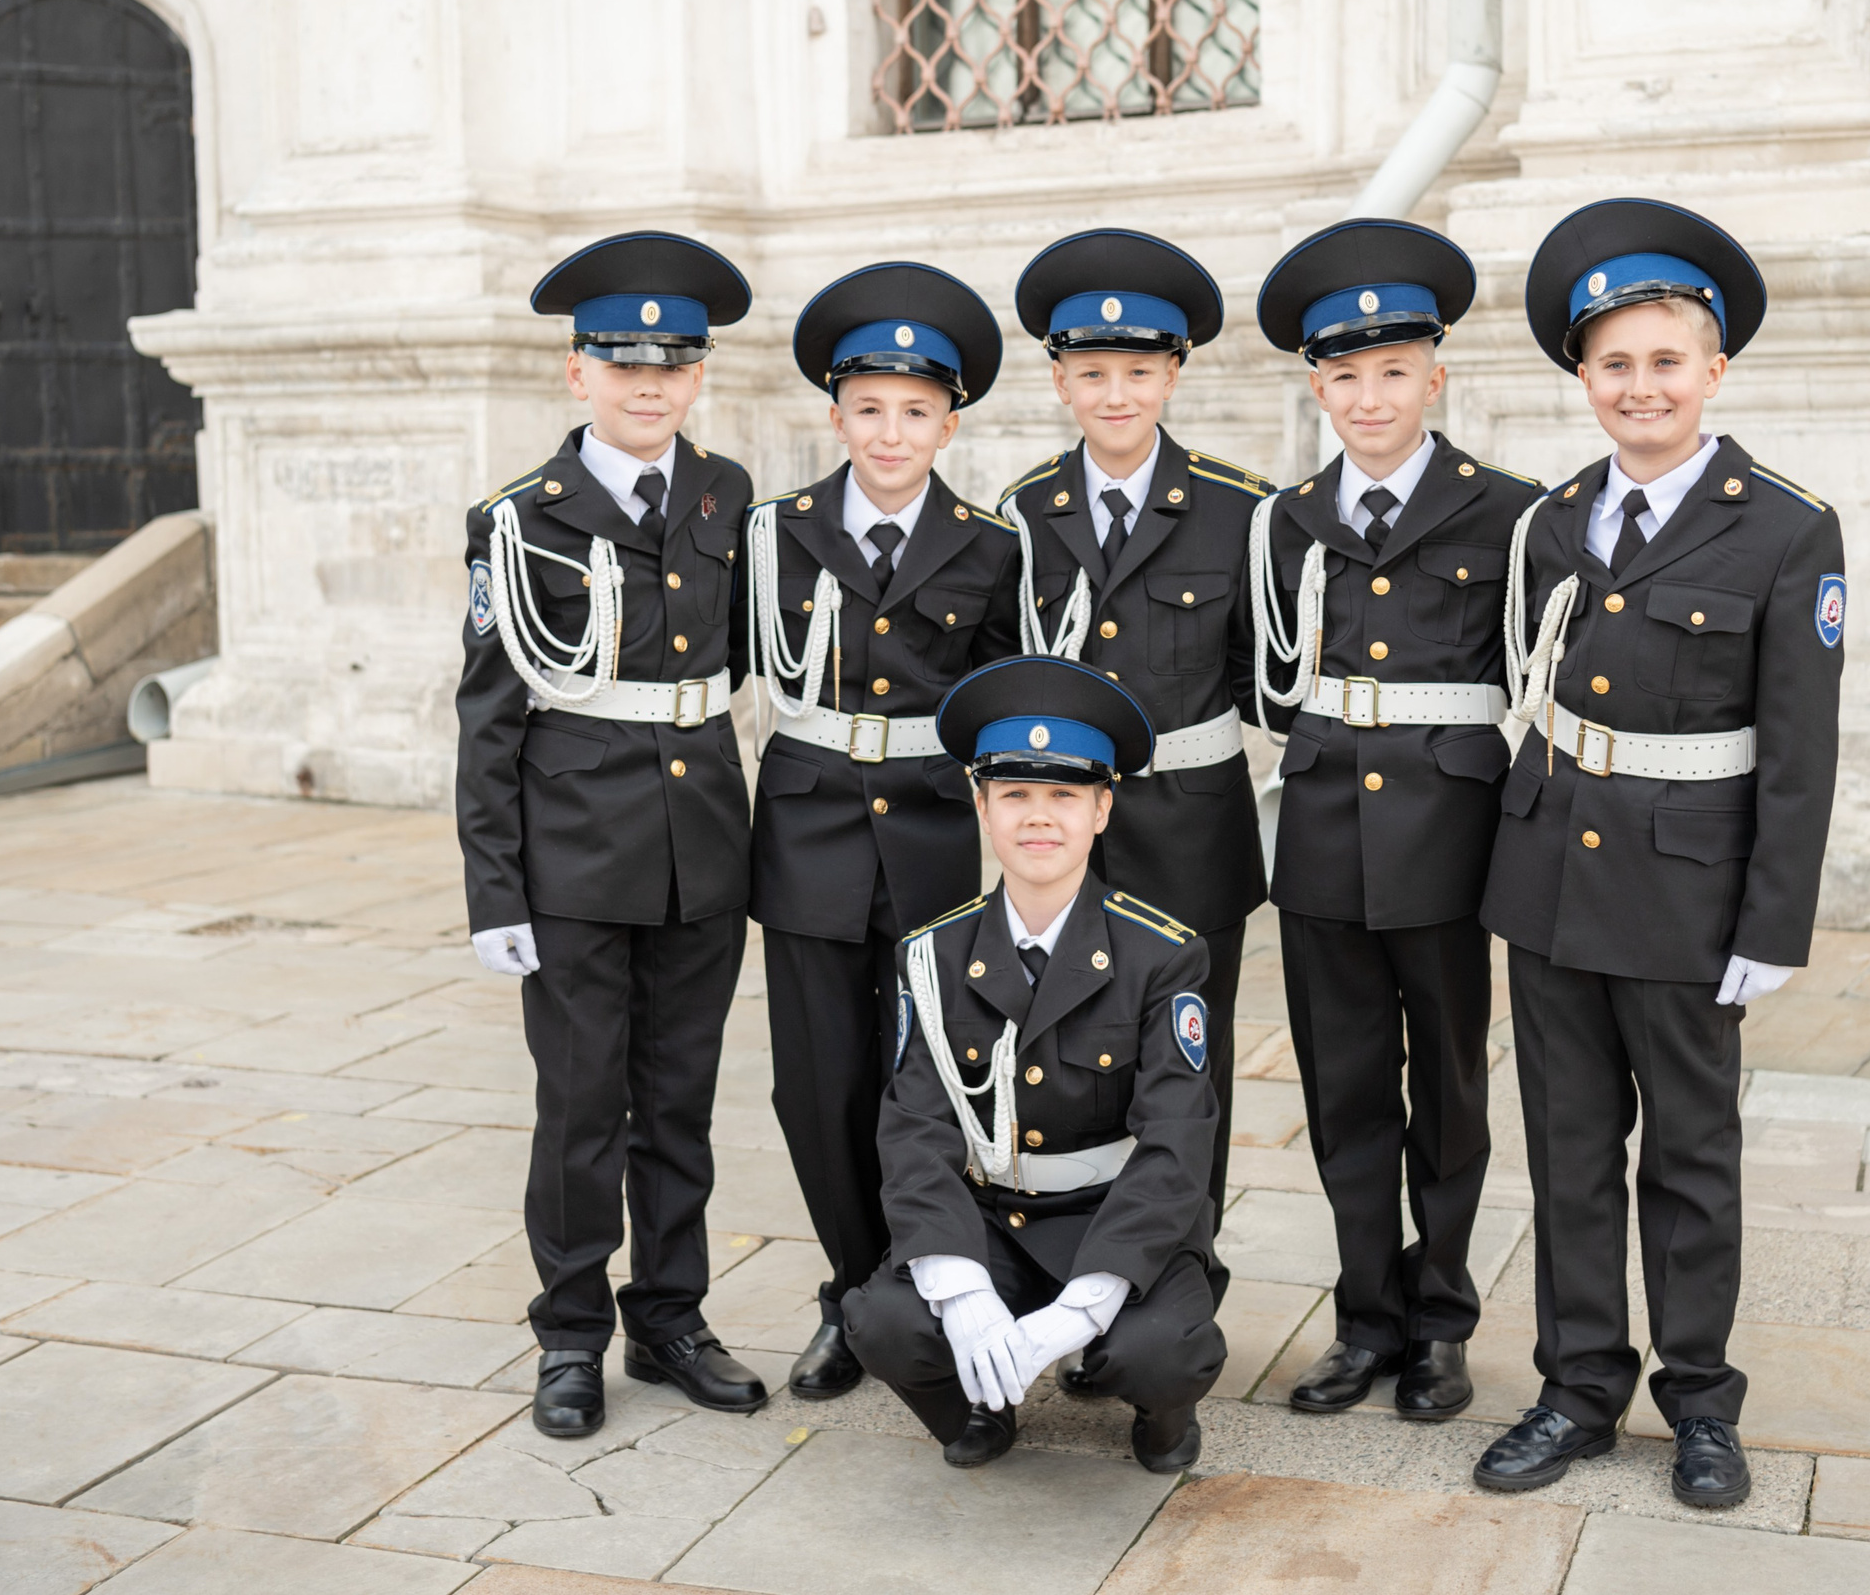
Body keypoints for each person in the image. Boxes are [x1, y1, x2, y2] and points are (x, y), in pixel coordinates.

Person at [1471, 199, 1843, 1505]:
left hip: (1690, 897)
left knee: (1689, 1157)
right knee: (1569, 1149)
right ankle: (1577, 1386)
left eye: (1665, 361)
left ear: (1715, 368)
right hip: (1554, 888)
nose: (1641, 386)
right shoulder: (1556, 519)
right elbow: (1539, 694)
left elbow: (1802, 749)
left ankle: (1699, 1400)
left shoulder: (1787, 529)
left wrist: (1772, 923)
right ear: (1585, 377)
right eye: (1615, 364)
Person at [455, 231, 768, 1437]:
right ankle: (572, 1330)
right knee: (584, 1106)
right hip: (574, 861)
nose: (649, 384)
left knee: (678, 1099)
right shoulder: (520, 520)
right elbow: (489, 722)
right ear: (575, 372)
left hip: (700, 846)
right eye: (620, 360)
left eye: (674, 363)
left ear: (697, 376)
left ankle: (672, 1314)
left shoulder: (727, 493)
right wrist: (496, 894)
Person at [1247, 219, 1542, 1422]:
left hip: (1448, 839)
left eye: (1392, 371)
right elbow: (1262, 680)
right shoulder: (1284, 518)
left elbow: (1531, 678)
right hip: (1321, 833)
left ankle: (1441, 1322)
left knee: (1451, 1096)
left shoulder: (1509, 513)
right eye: (1343, 375)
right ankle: (1364, 1317)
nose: (1368, 397)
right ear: (1317, 384)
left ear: (1436, 372)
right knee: (1344, 1089)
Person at [741, 261, 1022, 1401]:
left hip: (927, 844)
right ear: (835, 413)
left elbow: (1002, 700)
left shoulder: (990, 545)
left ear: (947, 421)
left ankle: (922, 1279)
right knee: (816, 1084)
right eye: (868, 408)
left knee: (925, 1080)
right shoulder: (773, 533)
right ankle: (853, 1295)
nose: (890, 431)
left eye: (915, 410)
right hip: (806, 834)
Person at [844, 655, 1225, 1473]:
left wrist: (1087, 1305)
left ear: (1102, 809)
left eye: (1063, 795)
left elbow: (1178, 1143)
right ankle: (980, 1409)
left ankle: (1161, 1419)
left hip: (1112, 1211)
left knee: (1164, 1349)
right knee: (883, 1321)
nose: (1038, 818)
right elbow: (914, 1129)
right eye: (1015, 794)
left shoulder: (1163, 955)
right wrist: (961, 1283)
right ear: (982, 807)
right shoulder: (933, 954)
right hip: (993, 1220)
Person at [999, 229, 1270, 1339]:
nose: (1116, 392)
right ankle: (1064, 1279)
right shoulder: (1024, 513)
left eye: (1139, 370)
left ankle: (1174, 1299)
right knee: (1065, 1064)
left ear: (1174, 374)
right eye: (1093, 372)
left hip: (1194, 837)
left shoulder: (1241, 508)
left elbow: (1266, 678)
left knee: (1184, 1076)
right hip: (1063, 844)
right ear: (1060, 379)